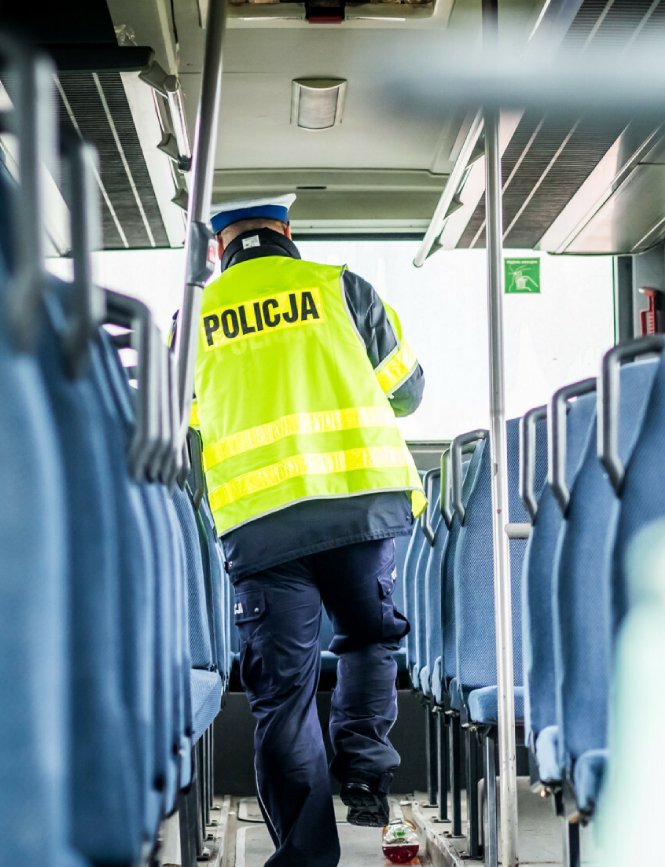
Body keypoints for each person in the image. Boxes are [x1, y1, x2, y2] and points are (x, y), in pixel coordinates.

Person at [192, 194, 426, 867]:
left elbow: (184, 431)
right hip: (358, 508)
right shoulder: (341, 288)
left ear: (219, 247)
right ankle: (363, 769)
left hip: (259, 526)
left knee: (282, 697)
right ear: (287, 231)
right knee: (369, 635)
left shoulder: (195, 318)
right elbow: (407, 393)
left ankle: (304, 856)